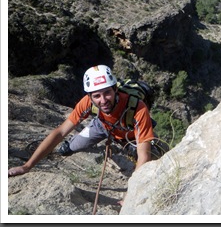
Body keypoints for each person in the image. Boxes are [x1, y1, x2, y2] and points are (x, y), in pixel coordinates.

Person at [8, 65, 155, 177]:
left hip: (129, 134)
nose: (103, 100)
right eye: (97, 96)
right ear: (90, 97)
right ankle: (75, 144)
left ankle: (126, 145)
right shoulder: (87, 102)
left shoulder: (137, 108)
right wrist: (27, 166)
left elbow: (144, 155)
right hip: (102, 126)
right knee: (67, 149)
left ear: (115, 90)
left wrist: (131, 195)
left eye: (107, 93)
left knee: (145, 157)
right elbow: (60, 132)